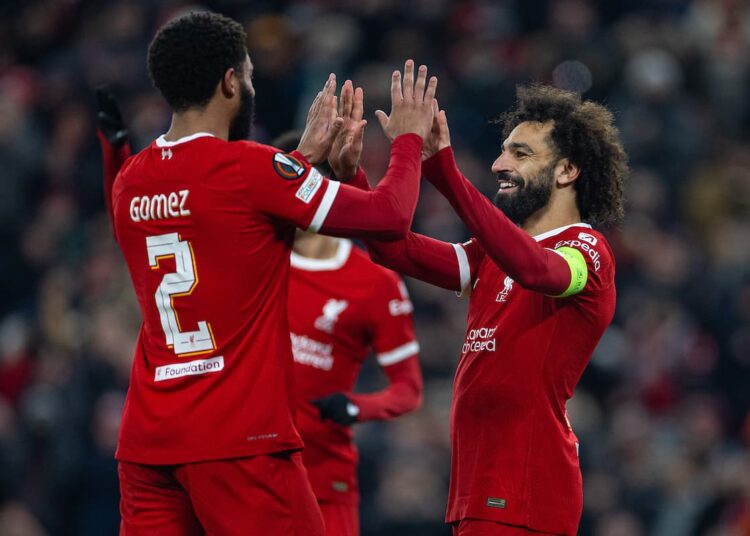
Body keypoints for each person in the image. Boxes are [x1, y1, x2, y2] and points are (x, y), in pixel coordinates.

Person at [101, 11, 436, 535]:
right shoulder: (249, 170)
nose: (251, 85)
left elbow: (219, 224)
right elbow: (389, 217)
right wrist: (409, 140)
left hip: (148, 444)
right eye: (250, 75)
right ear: (230, 81)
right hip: (237, 441)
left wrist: (299, 161)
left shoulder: (129, 182)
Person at [353, 85, 628, 535]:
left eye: (520, 154)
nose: (500, 164)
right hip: (478, 485)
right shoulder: (489, 254)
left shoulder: (588, 249)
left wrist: (444, 171)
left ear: (567, 171)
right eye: (503, 152)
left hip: (527, 488)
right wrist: (355, 179)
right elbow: (395, 252)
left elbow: (537, 271)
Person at [273, 130, 423, 536]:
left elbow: (408, 390)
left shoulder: (375, 283)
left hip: (325, 476)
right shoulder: (258, 260)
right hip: (250, 468)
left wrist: (355, 407)